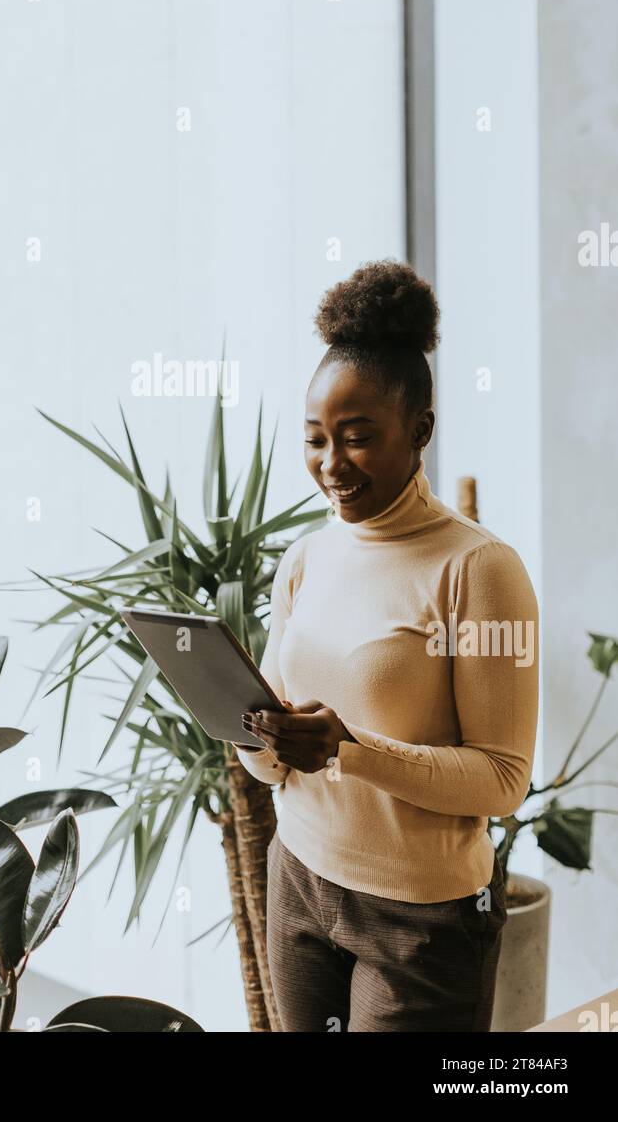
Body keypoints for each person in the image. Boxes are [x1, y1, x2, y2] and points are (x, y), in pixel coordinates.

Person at [234, 259, 539, 1033]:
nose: (331, 466)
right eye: (315, 440)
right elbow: (266, 756)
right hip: (299, 877)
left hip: (422, 921)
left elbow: (503, 781)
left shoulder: (479, 569)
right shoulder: (307, 557)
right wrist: (255, 734)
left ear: (421, 430)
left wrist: (349, 749)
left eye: (358, 438)